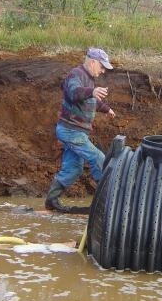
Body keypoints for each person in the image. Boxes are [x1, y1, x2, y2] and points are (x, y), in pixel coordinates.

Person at [45, 47, 116, 213]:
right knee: (97, 157)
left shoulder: (89, 80)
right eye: (102, 66)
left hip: (76, 132)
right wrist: (92, 91)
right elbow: (74, 93)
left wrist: (107, 109)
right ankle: (106, 201)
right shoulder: (75, 75)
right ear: (92, 62)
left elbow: (91, 100)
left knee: (74, 168)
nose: (103, 70)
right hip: (71, 131)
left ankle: (51, 200)